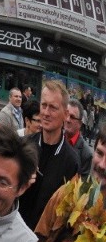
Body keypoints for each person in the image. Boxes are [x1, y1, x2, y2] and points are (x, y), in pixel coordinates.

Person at [19, 80, 79, 230]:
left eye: (52, 107)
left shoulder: (71, 161)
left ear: (65, 115)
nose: (45, 113)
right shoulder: (23, 146)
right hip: (12, 231)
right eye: (44, 105)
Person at [65, 98, 93, 178]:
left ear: (80, 124)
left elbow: (81, 187)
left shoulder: (86, 154)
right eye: (66, 115)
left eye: (72, 117)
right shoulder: (56, 138)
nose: (67, 119)